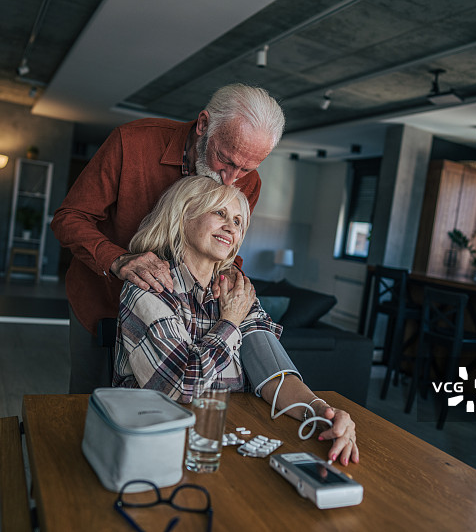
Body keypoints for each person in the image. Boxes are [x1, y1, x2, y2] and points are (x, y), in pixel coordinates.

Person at [51, 84, 285, 394]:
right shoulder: (132, 142)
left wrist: (233, 276)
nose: (231, 179)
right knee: (90, 402)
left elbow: (225, 245)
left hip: (181, 320)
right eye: (225, 160)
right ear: (203, 125)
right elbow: (69, 218)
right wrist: (119, 260)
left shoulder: (247, 180)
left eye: (245, 169)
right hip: (100, 299)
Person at [113, 177, 359, 466]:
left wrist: (320, 413)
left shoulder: (238, 292)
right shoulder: (150, 286)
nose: (232, 226)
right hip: (155, 444)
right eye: (219, 213)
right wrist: (229, 321)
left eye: (239, 221)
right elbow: (179, 387)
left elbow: (274, 376)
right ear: (183, 215)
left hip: (228, 441)